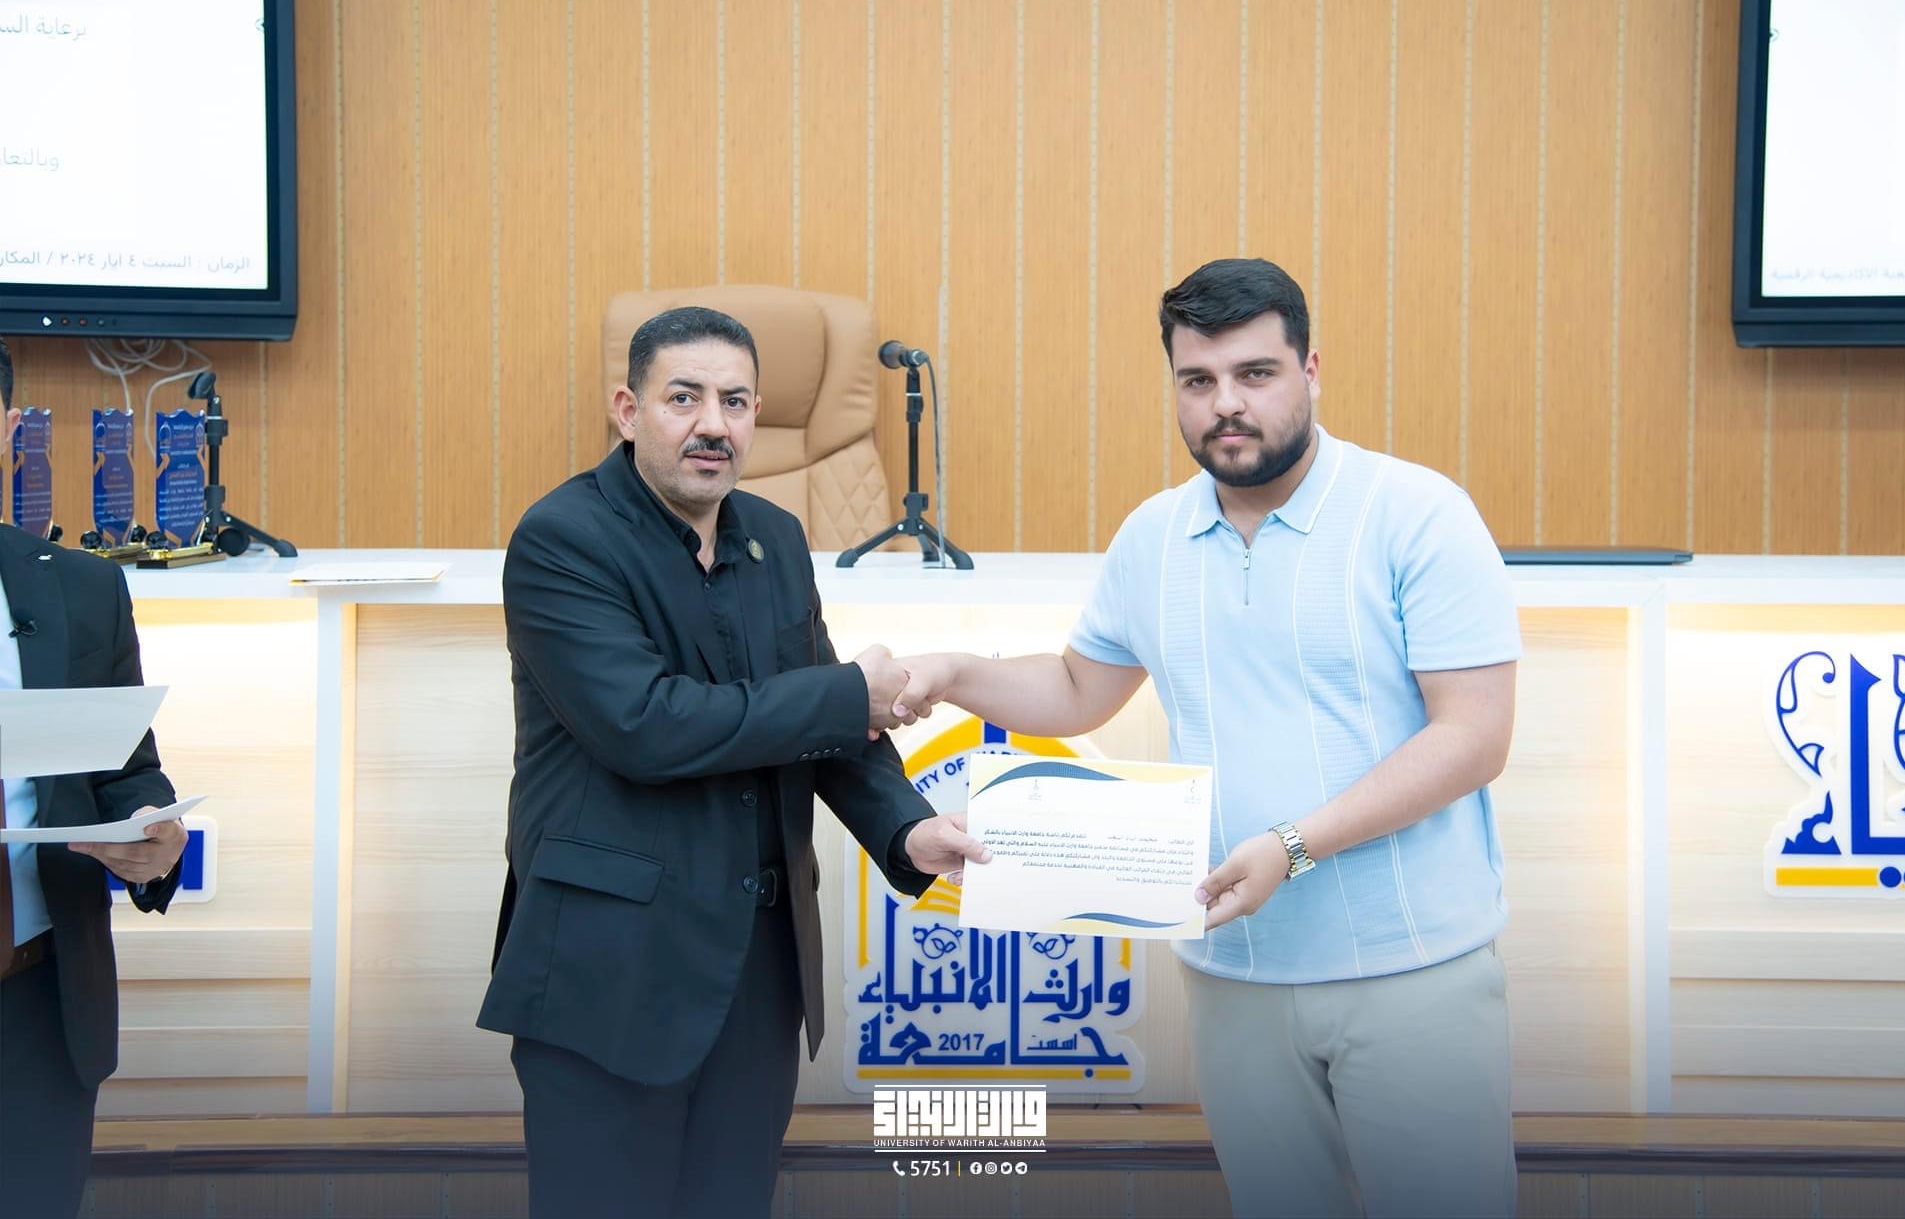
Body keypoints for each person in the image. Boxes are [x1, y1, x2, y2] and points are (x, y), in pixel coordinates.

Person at [891, 259, 1522, 1218]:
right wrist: (952, 671)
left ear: (1311, 370)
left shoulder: (1417, 513)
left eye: (1255, 374)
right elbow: (1078, 689)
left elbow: (1473, 737)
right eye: (1198, 380)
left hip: (1412, 971)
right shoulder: (1153, 534)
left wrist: (1292, 846)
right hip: (1233, 972)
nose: (1226, 403)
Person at [479, 306, 987, 1218]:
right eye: (685, 398)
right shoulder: (564, 539)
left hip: (756, 975)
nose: (714, 424)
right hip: (611, 973)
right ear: (628, 410)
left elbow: (821, 727)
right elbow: (645, 725)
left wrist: (907, 830)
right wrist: (847, 694)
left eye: (737, 402)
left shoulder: (775, 539)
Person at [0, 335, 188, 1218]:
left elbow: (127, 771)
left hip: (37, 1001)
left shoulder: (81, 589)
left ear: (8, 428)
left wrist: (154, 835)